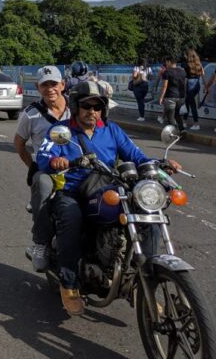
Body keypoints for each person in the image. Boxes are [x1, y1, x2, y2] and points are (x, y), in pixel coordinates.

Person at [36, 81, 181, 316]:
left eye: (97, 106)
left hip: (108, 188)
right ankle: (70, 284)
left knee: (147, 213)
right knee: (71, 217)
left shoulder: (111, 130)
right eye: (86, 106)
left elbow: (136, 156)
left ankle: (142, 285)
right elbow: (43, 157)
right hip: (73, 191)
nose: (92, 111)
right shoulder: (62, 131)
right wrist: (56, 161)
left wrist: (160, 164)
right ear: (76, 106)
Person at [13, 65, 70, 272]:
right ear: (38, 88)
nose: (50, 89)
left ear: (62, 85)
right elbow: (19, 142)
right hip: (48, 169)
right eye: (44, 85)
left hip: (77, 166)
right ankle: (41, 243)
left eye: (54, 84)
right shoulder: (31, 114)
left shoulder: (77, 109)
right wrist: (34, 166)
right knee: (42, 185)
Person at [158, 55, 186, 132]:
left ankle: (173, 134)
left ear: (169, 62)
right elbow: (184, 85)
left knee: (170, 118)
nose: (166, 64)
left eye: (166, 62)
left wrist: (161, 97)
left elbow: (164, 86)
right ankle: (182, 130)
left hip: (170, 97)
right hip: (181, 97)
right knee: (177, 115)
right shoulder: (183, 71)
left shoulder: (166, 72)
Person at [181, 49, 205, 131]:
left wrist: (183, 91)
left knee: (192, 105)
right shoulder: (199, 64)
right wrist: (205, 86)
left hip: (190, 85)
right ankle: (184, 121)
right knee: (188, 103)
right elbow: (203, 74)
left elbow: (185, 78)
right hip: (197, 84)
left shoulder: (186, 65)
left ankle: (196, 123)